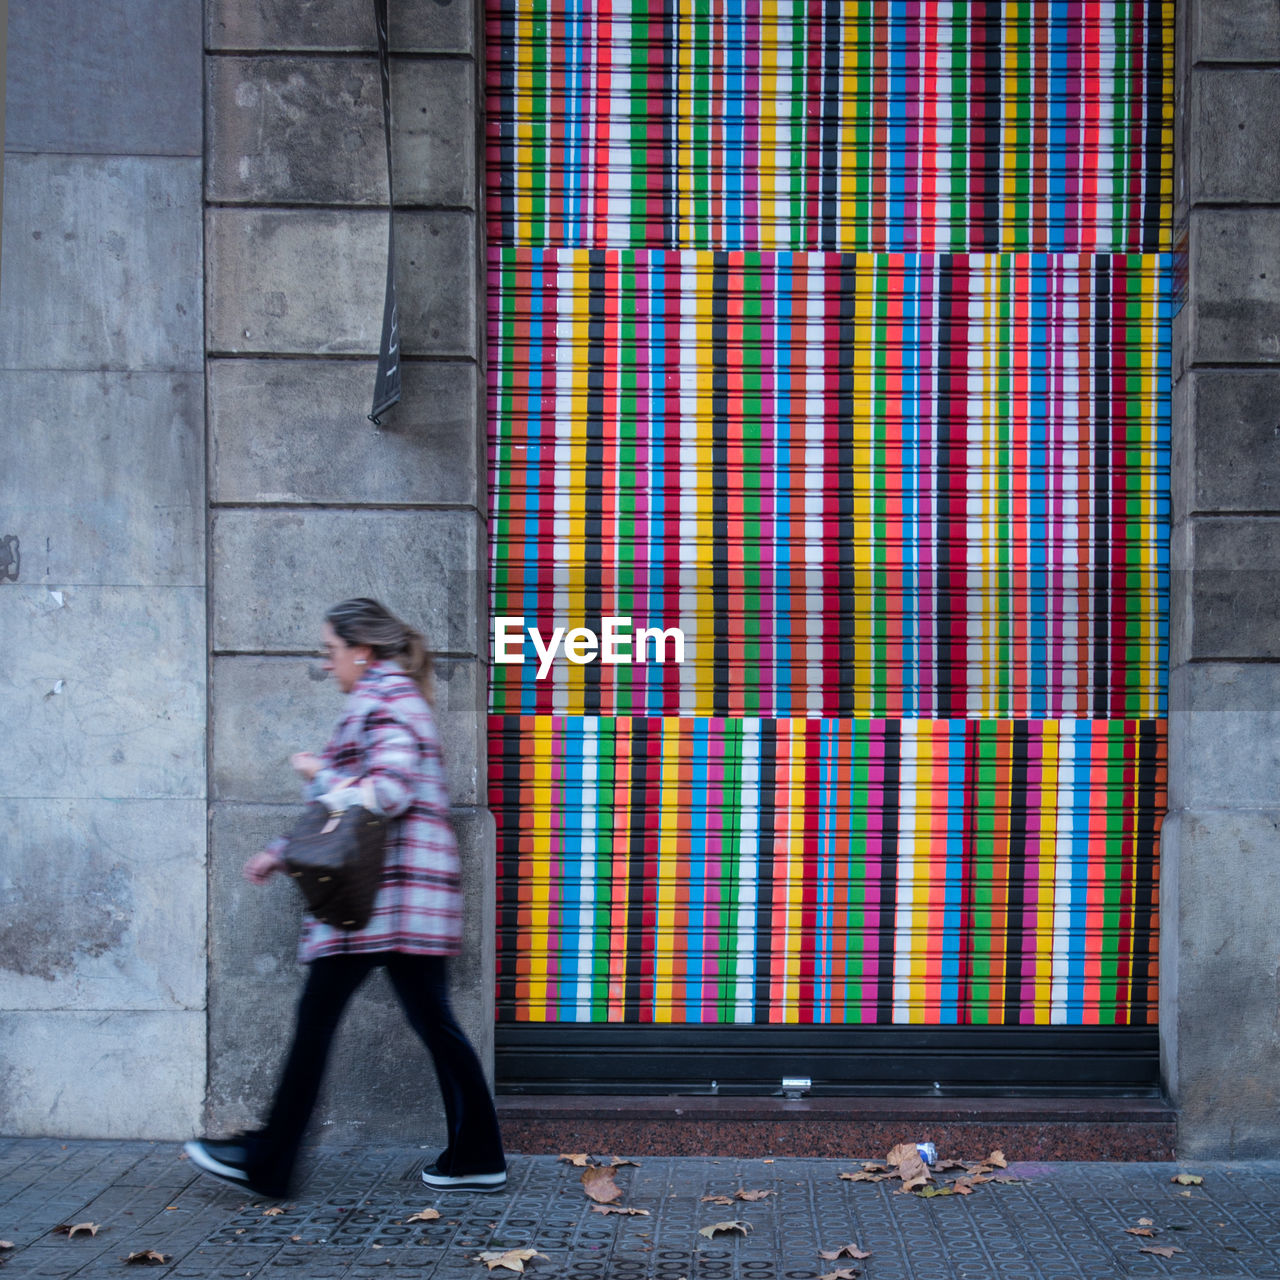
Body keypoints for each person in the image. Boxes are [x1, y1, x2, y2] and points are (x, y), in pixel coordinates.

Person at [185, 598, 506, 1198]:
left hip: (379, 902)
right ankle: (477, 1154)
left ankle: (268, 1161)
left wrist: (318, 774)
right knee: (431, 1020)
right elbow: (344, 820)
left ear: (362, 650)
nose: (327, 665)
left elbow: (385, 792)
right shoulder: (388, 698)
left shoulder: (388, 701)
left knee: (320, 1019)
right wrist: (283, 850)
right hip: (397, 900)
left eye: (331, 652)